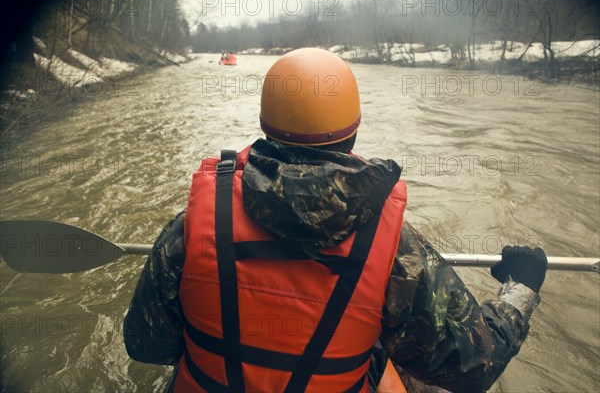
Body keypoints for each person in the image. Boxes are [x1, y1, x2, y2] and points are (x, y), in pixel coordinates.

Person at [124, 48, 548, 392]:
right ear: (355, 129)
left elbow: (146, 344)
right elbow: (472, 364)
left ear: (263, 124)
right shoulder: (398, 249)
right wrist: (521, 289)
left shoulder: (190, 226)